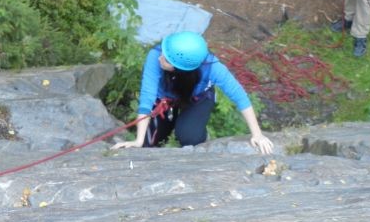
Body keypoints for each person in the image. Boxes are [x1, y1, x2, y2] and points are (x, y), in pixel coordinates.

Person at [111, 31, 273, 154]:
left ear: (181, 68)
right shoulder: (156, 55)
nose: (161, 58)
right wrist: (139, 140)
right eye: (163, 54)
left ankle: (192, 127)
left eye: (167, 59)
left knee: (189, 137)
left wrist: (257, 134)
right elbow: (147, 97)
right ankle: (167, 124)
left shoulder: (212, 68)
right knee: (149, 143)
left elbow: (239, 96)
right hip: (164, 100)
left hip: (198, 97)